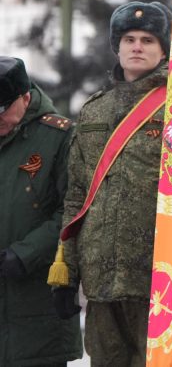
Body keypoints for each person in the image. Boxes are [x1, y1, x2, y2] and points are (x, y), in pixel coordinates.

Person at [51, 1, 172, 366]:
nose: (137, 47)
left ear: (163, 50)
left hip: (158, 275)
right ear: (116, 48)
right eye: (129, 39)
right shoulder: (94, 109)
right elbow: (76, 196)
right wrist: (67, 270)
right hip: (102, 276)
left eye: (148, 40)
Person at [0, 57, 82, 366]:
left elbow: (72, 210)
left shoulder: (58, 138)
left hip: (36, 304)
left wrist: (25, 254)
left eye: (1, 111)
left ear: (24, 97)